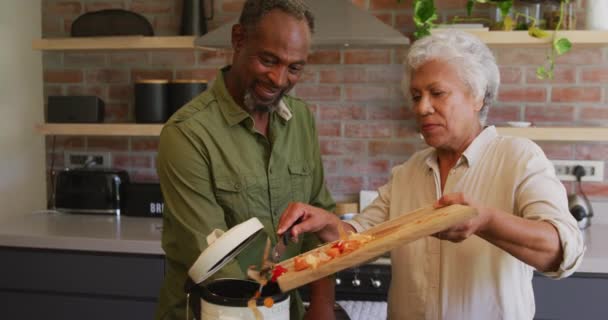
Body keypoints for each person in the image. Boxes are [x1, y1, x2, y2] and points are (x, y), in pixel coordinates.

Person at [277, 30, 585, 320]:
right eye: (415, 96)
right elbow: (359, 239)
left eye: (437, 93)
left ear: (477, 97)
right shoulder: (408, 172)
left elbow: (562, 252)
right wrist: (327, 223)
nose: (423, 108)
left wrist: (485, 221)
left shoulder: (518, 157)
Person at [155, 1, 336, 319]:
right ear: (238, 39)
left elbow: (321, 223)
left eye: (294, 68)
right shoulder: (187, 134)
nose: (279, 80)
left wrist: (322, 304)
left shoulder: (302, 120)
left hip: (281, 310)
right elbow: (216, 263)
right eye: (269, 60)